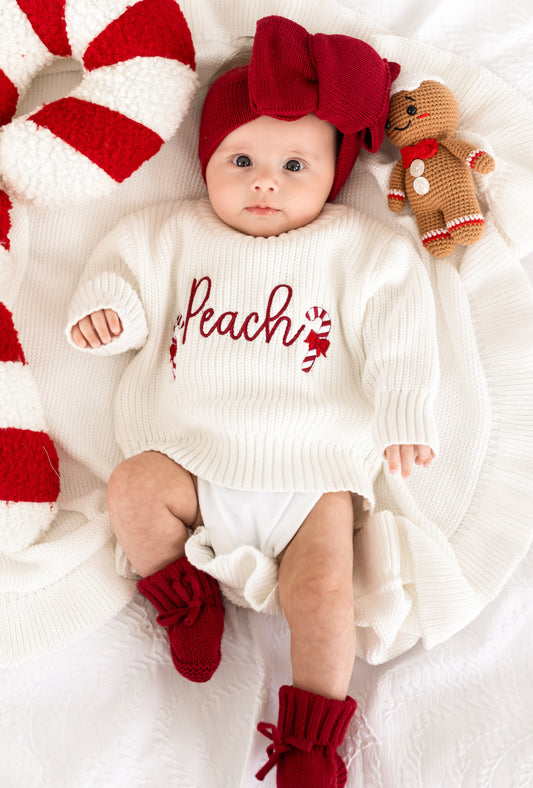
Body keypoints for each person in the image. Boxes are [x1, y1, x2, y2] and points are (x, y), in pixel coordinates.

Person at [66, 16, 439, 787]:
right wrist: (110, 313)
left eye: (294, 165)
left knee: (325, 592)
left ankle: (310, 738)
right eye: (241, 159)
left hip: (311, 476)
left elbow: (400, 332)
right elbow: (118, 278)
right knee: (132, 487)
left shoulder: (355, 249)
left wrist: (403, 410)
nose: (264, 181)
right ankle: (185, 596)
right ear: (206, 162)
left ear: (333, 175)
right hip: (192, 461)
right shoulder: (169, 233)